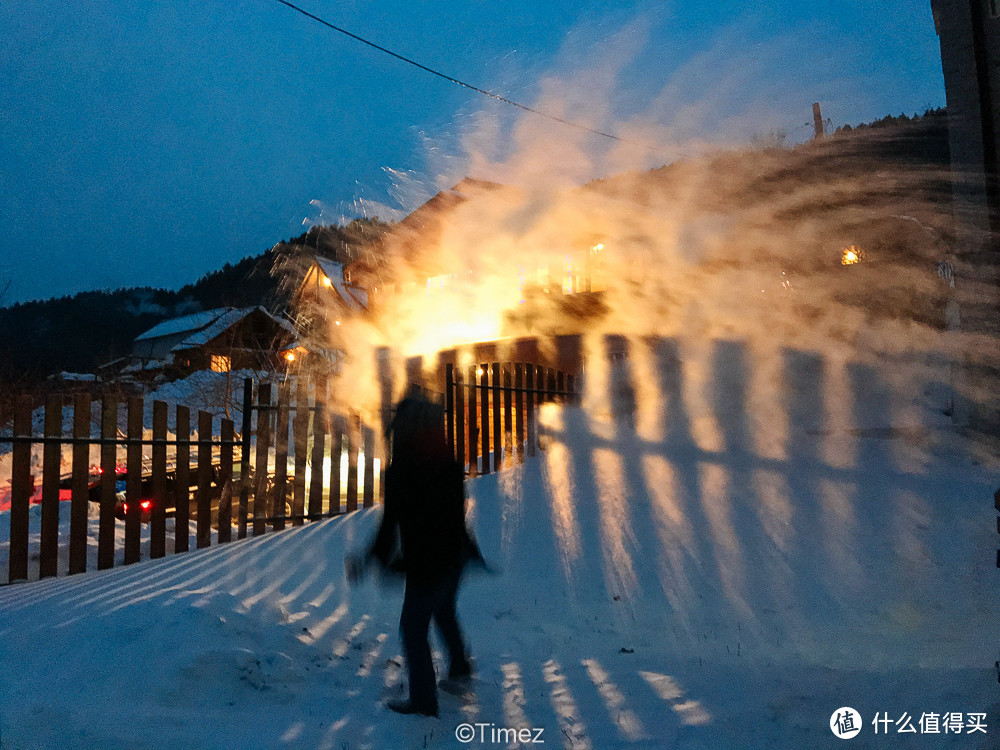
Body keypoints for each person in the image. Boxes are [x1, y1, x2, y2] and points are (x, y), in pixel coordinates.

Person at [347, 393, 483, 717]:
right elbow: (451, 512)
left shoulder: (404, 468)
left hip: (428, 561)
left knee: (412, 629)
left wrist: (370, 558)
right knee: (444, 610)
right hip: (455, 553)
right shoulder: (447, 459)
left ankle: (423, 701)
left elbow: (391, 522)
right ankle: (461, 670)